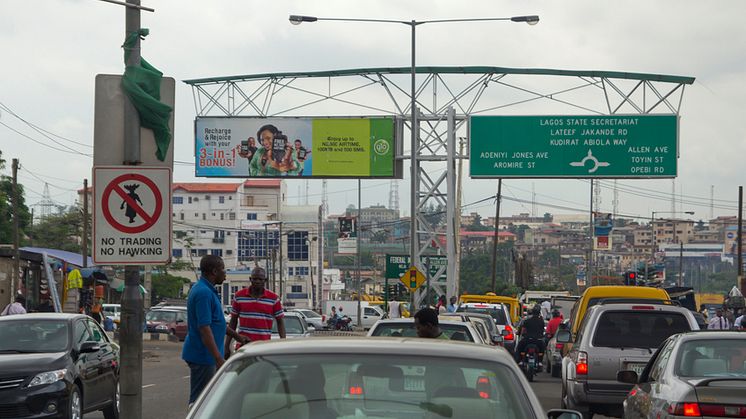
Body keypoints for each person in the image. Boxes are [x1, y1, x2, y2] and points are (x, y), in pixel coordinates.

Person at [182, 255, 229, 406]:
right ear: (214, 271)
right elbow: (204, 328)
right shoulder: (203, 293)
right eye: (223, 269)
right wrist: (218, 358)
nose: (225, 273)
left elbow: (216, 322)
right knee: (199, 402)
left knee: (208, 399)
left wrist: (237, 336)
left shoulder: (207, 289)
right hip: (203, 356)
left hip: (207, 355)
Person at [225, 266, 285, 357]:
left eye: (260, 279)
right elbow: (233, 322)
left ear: (265, 280)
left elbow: (280, 322)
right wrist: (226, 346)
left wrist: (283, 343)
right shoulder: (239, 296)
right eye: (255, 279)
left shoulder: (273, 299)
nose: (257, 281)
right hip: (243, 345)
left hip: (264, 346)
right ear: (250, 279)